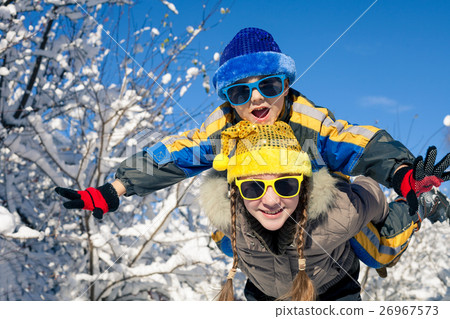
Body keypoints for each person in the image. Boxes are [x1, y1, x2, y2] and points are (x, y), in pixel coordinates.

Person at [55, 27, 450, 272]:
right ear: (229, 98)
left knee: (376, 253)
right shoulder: (225, 128)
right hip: (259, 206)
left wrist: (402, 172)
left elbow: (352, 140)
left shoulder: (304, 119)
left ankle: (414, 209)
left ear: (285, 84)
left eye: (270, 86)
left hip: (316, 204)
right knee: (232, 239)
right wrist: (115, 188)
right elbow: (174, 153)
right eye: (242, 92)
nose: (257, 101)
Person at [202, 120, 394, 300]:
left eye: (286, 185)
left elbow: (373, 195)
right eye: (254, 187)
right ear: (236, 192)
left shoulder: (340, 213)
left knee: (379, 254)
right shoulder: (229, 219)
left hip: (332, 290)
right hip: (263, 290)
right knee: (228, 242)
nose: (271, 201)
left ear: (302, 187)